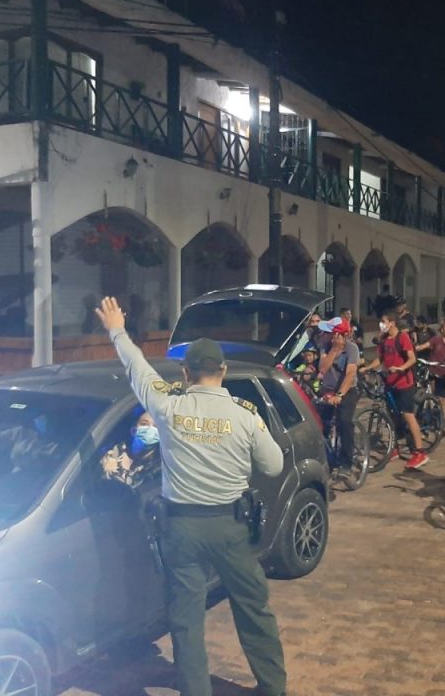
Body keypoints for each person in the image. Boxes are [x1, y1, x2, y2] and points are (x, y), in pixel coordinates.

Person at [95, 297, 287, 696]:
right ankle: (272, 687)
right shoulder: (244, 416)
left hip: (181, 528)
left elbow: (137, 368)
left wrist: (117, 329)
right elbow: (273, 466)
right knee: (253, 609)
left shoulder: (168, 407)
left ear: (185, 372)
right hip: (230, 527)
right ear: (224, 371)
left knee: (186, 619)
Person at [359, 308, 429, 470]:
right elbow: (380, 360)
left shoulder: (402, 337)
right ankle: (394, 448)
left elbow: (412, 359)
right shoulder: (384, 340)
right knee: (392, 416)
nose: (381, 325)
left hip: (404, 383)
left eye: (383, 322)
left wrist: (400, 368)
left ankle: (420, 452)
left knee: (408, 415)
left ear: (392, 323)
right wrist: (367, 368)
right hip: (390, 383)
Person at [315, 316, 361, 471]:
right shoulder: (325, 346)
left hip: (347, 390)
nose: (324, 335)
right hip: (328, 389)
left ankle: (347, 463)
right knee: (319, 421)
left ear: (340, 335)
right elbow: (322, 369)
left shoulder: (351, 348)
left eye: (329, 333)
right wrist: (334, 350)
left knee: (345, 421)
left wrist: (340, 395)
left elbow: (350, 374)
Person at [102, 411, 161, 485]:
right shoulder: (113, 451)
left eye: (156, 426)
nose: (150, 429)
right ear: (134, 430)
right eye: (144, 424)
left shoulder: (158, 466)